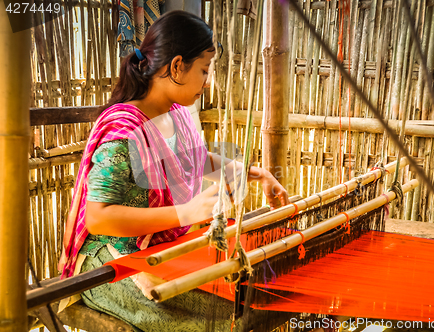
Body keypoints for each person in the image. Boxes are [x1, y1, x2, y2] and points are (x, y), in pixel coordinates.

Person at [58, 10, 290, 332]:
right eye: (204, 71)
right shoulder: (123, 131)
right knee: (230, 317)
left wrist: (255, 173)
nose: (207, 83)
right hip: (112, 263)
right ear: (177, 66)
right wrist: (186, 212)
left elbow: (193, 158)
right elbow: (99, 216)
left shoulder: (176, 113)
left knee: (262, 287)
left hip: (159, 247)